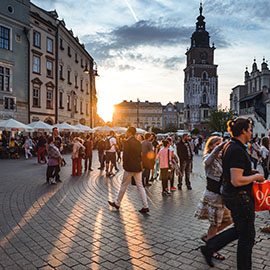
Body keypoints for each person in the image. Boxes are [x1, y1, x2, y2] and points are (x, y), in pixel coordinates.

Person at [200, 117, 265, 269]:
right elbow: (236, 180)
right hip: (240, 197)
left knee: (241, 231)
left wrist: (249, 172)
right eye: (249, 130)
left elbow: (233, 172)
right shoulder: (236, 149)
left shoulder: (231, 145)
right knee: (247, 237)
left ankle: (210, 247)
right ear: (243, 131)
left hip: (233, 196)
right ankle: (211, 248)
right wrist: (256, 177)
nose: (251, 133)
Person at [195, 136, 232, 260]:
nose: (220, 147)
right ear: (211, 146)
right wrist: (220, 147)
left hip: (222, 196)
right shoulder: (208, 157)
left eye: (220, 144)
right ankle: (211, 249)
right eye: (216, 144)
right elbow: (207, 161)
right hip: (213, 196)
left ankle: (209, 237)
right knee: (214, 224)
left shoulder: (222, 159)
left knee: (229, 220)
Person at [108, 127, 149, 213]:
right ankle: (146, 206)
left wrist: (124, 164)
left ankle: (117, 203)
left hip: (129, 167)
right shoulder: (138, 142)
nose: (126, 133)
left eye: (127, 132)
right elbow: (140, 155)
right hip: (137, 167)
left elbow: (125, 155)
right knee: (140, 186)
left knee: (124, 185)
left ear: (130, 133)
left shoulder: (127, 142)